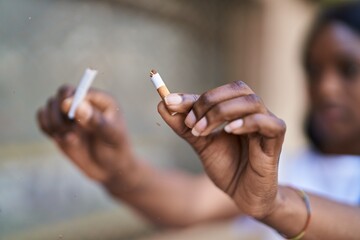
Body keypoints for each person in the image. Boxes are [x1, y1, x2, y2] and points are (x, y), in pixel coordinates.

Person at [37, 2, 360, 239]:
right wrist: (117, 167)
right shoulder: (290, 168)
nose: (326, 88)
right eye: (314, 71)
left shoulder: (278, 182)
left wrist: (274, 204)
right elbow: (189, 203)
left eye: (348, 69)